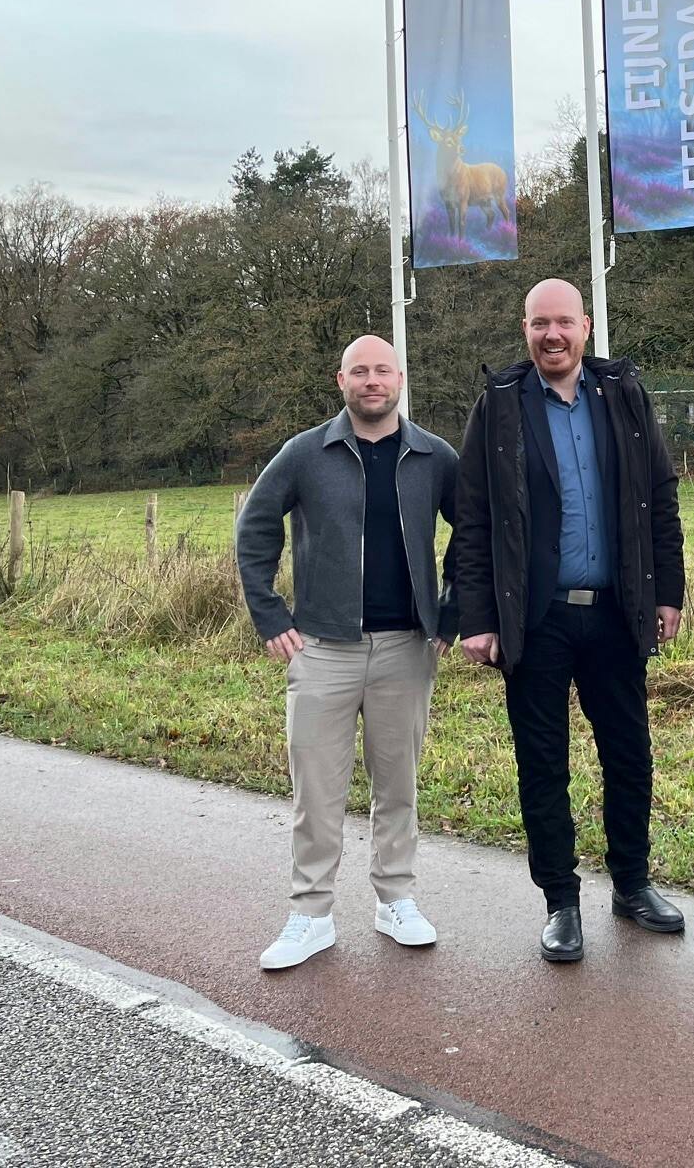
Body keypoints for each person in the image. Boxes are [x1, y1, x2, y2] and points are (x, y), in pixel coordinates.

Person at [450, 279, 686, 963]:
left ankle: (632, 884)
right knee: (543, 763)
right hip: (536, 619)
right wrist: (477, 617)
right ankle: (560, 900)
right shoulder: (497, 407)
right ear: (524, 329)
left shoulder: (625, 397)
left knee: (629, 756)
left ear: (585, 326)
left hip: (615, 614)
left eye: (564, 323)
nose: (552, 336)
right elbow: (474, 519)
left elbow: (659, 497)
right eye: (538, 324)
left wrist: (666, 592)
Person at [236, 335, 456, 970]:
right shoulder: (306, 454)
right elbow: (255, 527)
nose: (372, 381)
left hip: (406, 649)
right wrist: (270, 612)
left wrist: (453, 609)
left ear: (400, 378)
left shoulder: (434, 456)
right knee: (317, 790)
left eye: (382, 370)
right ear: (341, 381)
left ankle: (396, 901)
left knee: (398, 786)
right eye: (360, 371)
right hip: (323, 648)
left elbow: (473, 532)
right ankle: (310, 915)